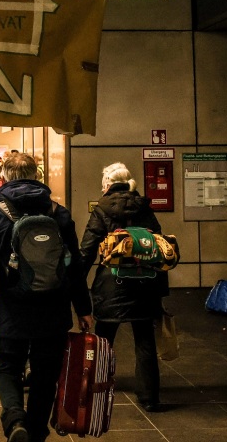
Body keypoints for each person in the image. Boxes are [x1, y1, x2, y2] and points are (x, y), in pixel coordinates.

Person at [0, 153, 92, 442]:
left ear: (4, 177)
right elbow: (74, 265)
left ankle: (14, 420)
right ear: (37, 175)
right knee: (46, 372)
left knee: (9, 365)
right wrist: (83, 308)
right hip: (54, 304)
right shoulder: (58, 212)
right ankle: (35, 432)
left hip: (12, 307)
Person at [79, 162, 166, 412]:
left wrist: (76, 286)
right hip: (144, 282)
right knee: (144, 339)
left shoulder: (102, 209)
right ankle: (149, 397)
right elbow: (159, 245)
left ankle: (98, 387)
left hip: (111, 283)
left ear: (107, 184)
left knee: (104, 339)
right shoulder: (144, 208)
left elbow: (86, 251)